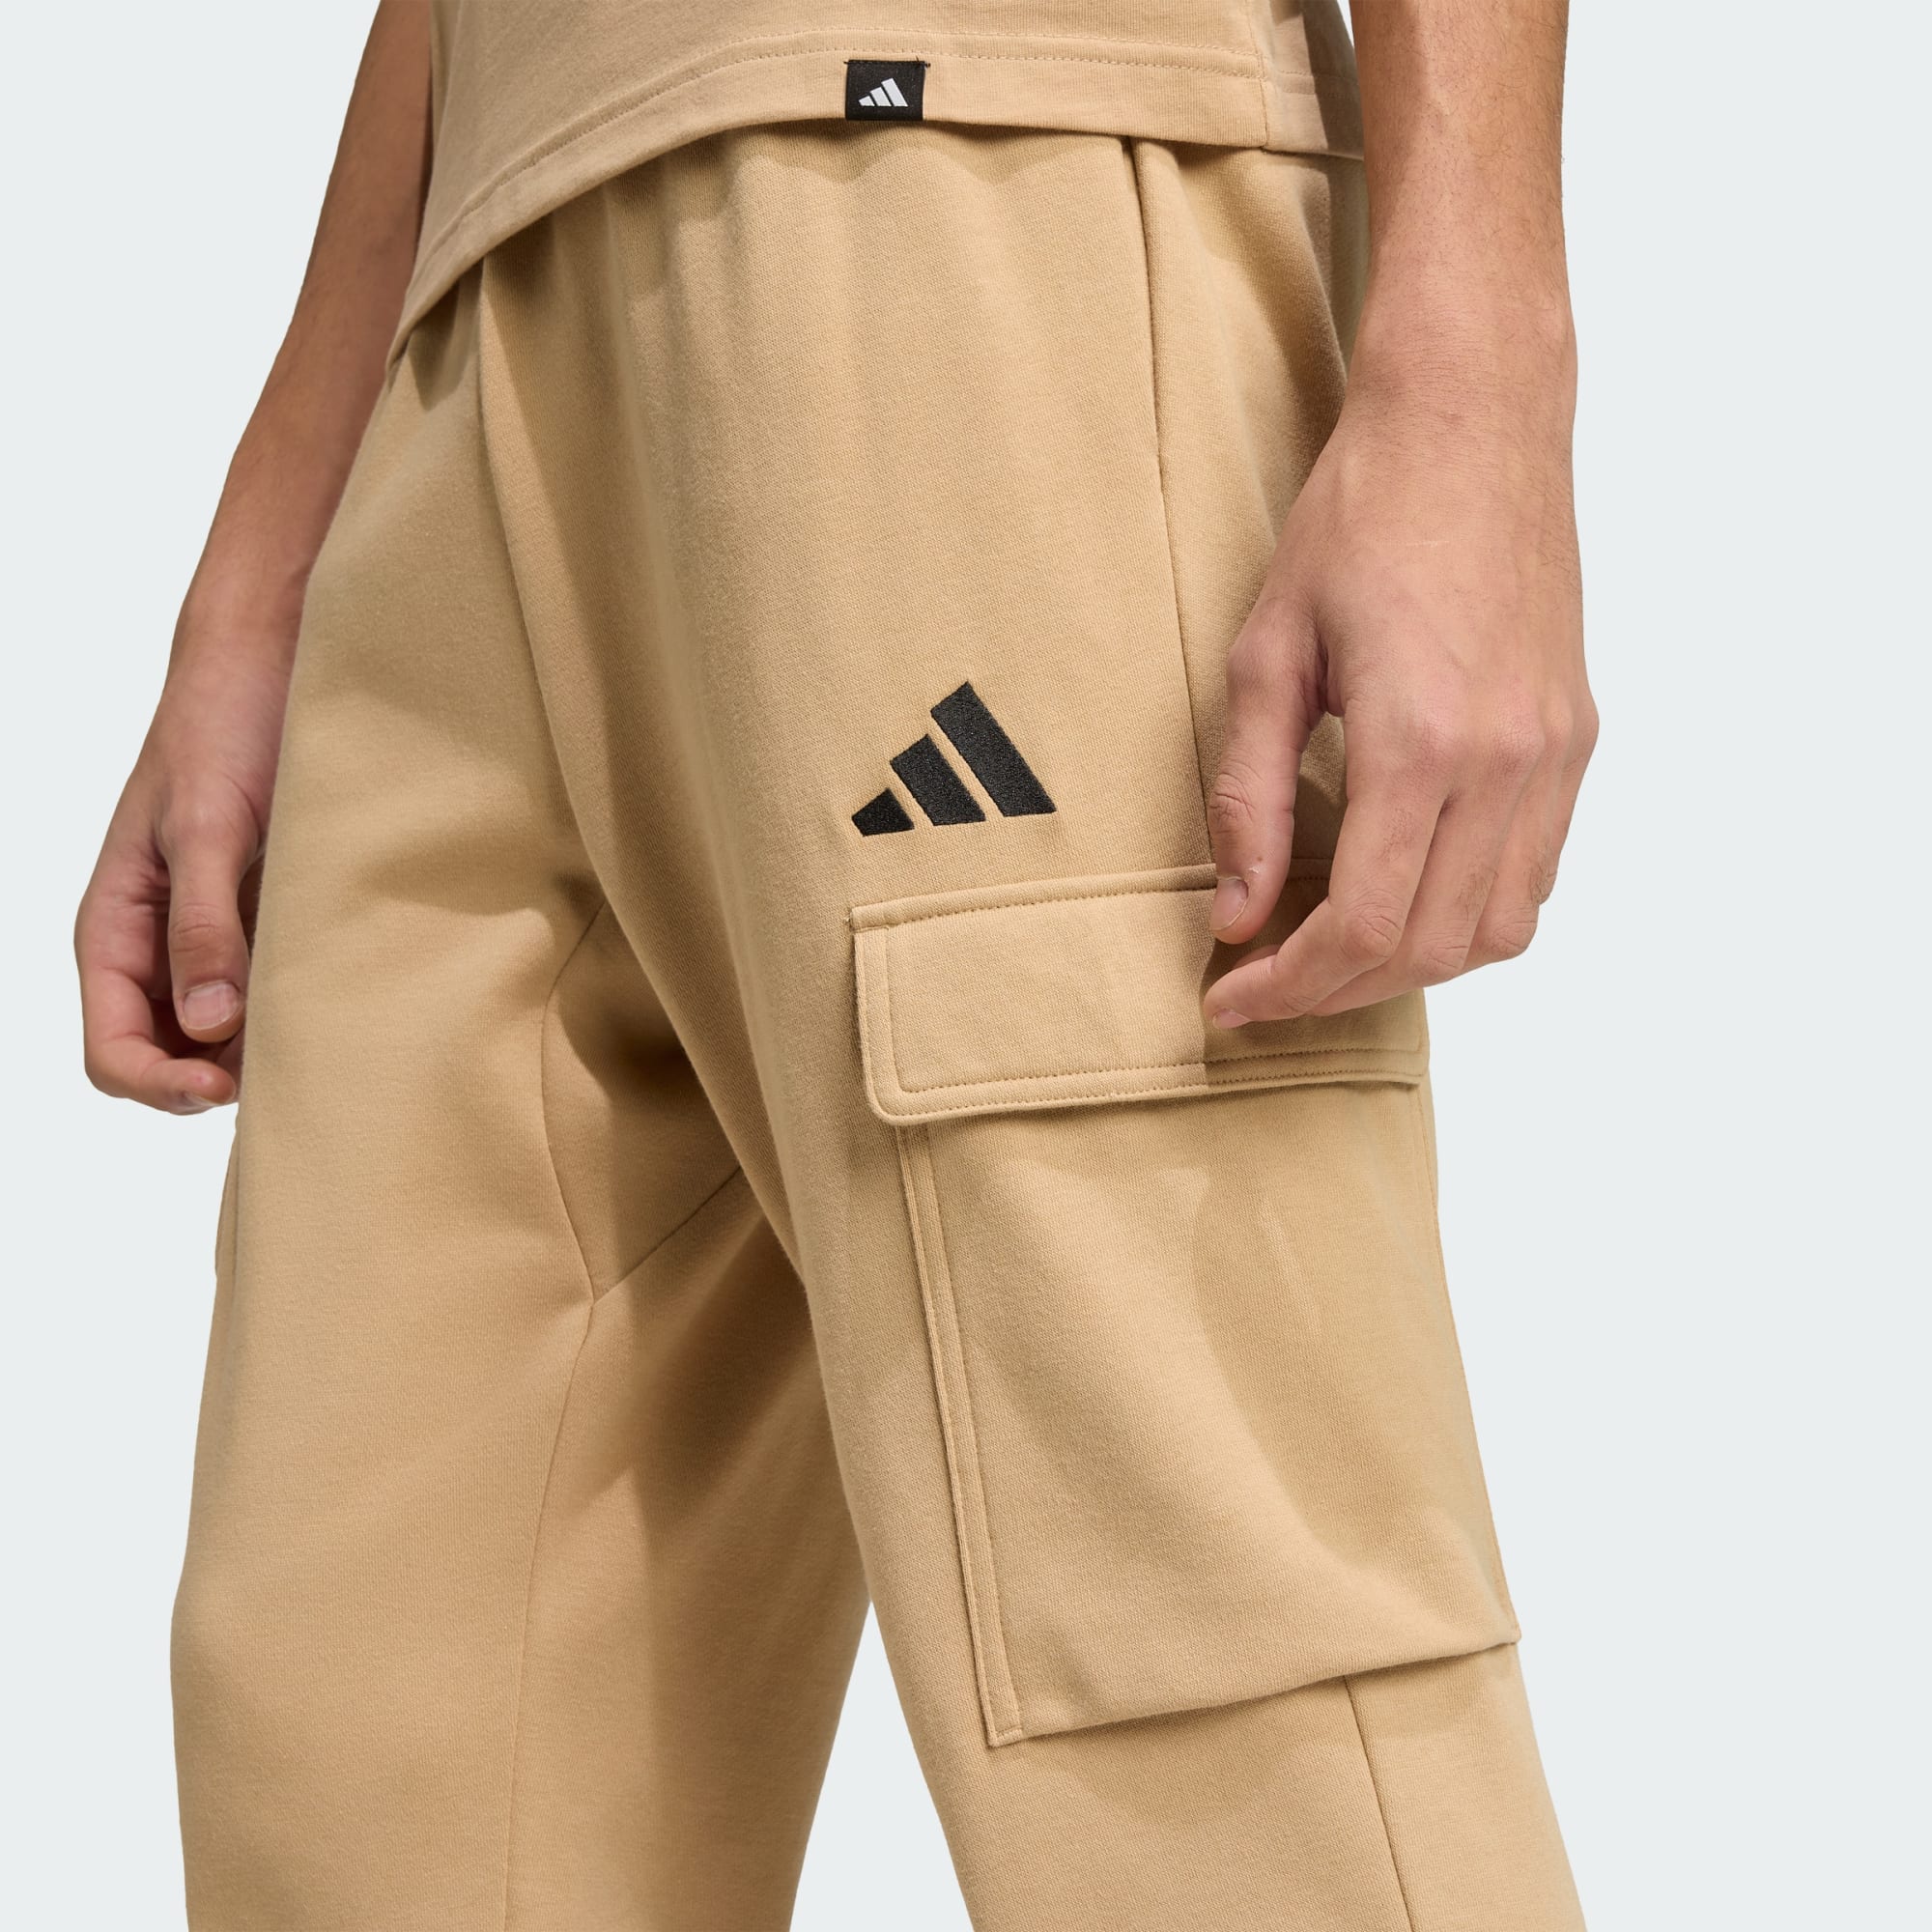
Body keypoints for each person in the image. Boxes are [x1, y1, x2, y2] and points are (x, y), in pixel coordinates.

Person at [76, 0, 1597, 1924]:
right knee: (360, 1757)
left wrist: (1478, 378)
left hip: (974, 204)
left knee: (1204, 1731)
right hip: (476, 332)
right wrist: (273, 548)